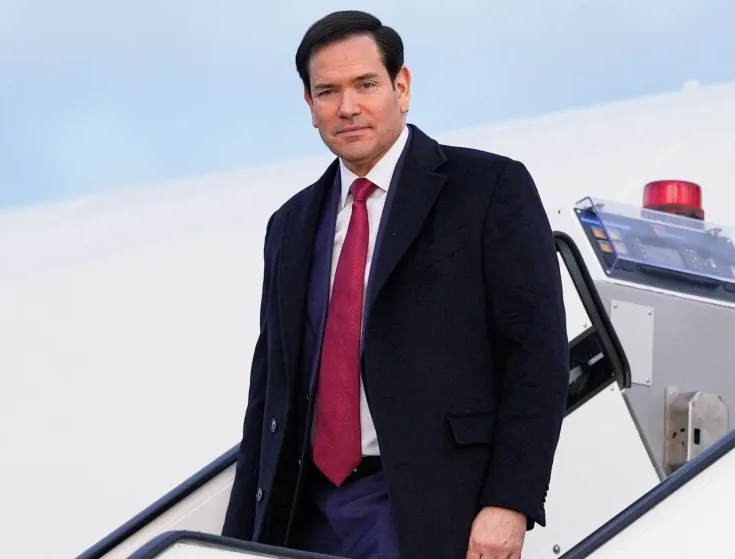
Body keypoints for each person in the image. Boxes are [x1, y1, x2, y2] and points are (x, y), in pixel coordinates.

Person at [221, 10, 569, 559]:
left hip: (427, 505)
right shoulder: (288, 225)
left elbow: (537, 356)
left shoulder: (488, 187)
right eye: (328, 91)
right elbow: (269, 392)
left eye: (365, 84)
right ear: (309, 105)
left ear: (401, 87)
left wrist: (510, 502)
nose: (348, 107)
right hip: (306, 511)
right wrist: (237, 540)